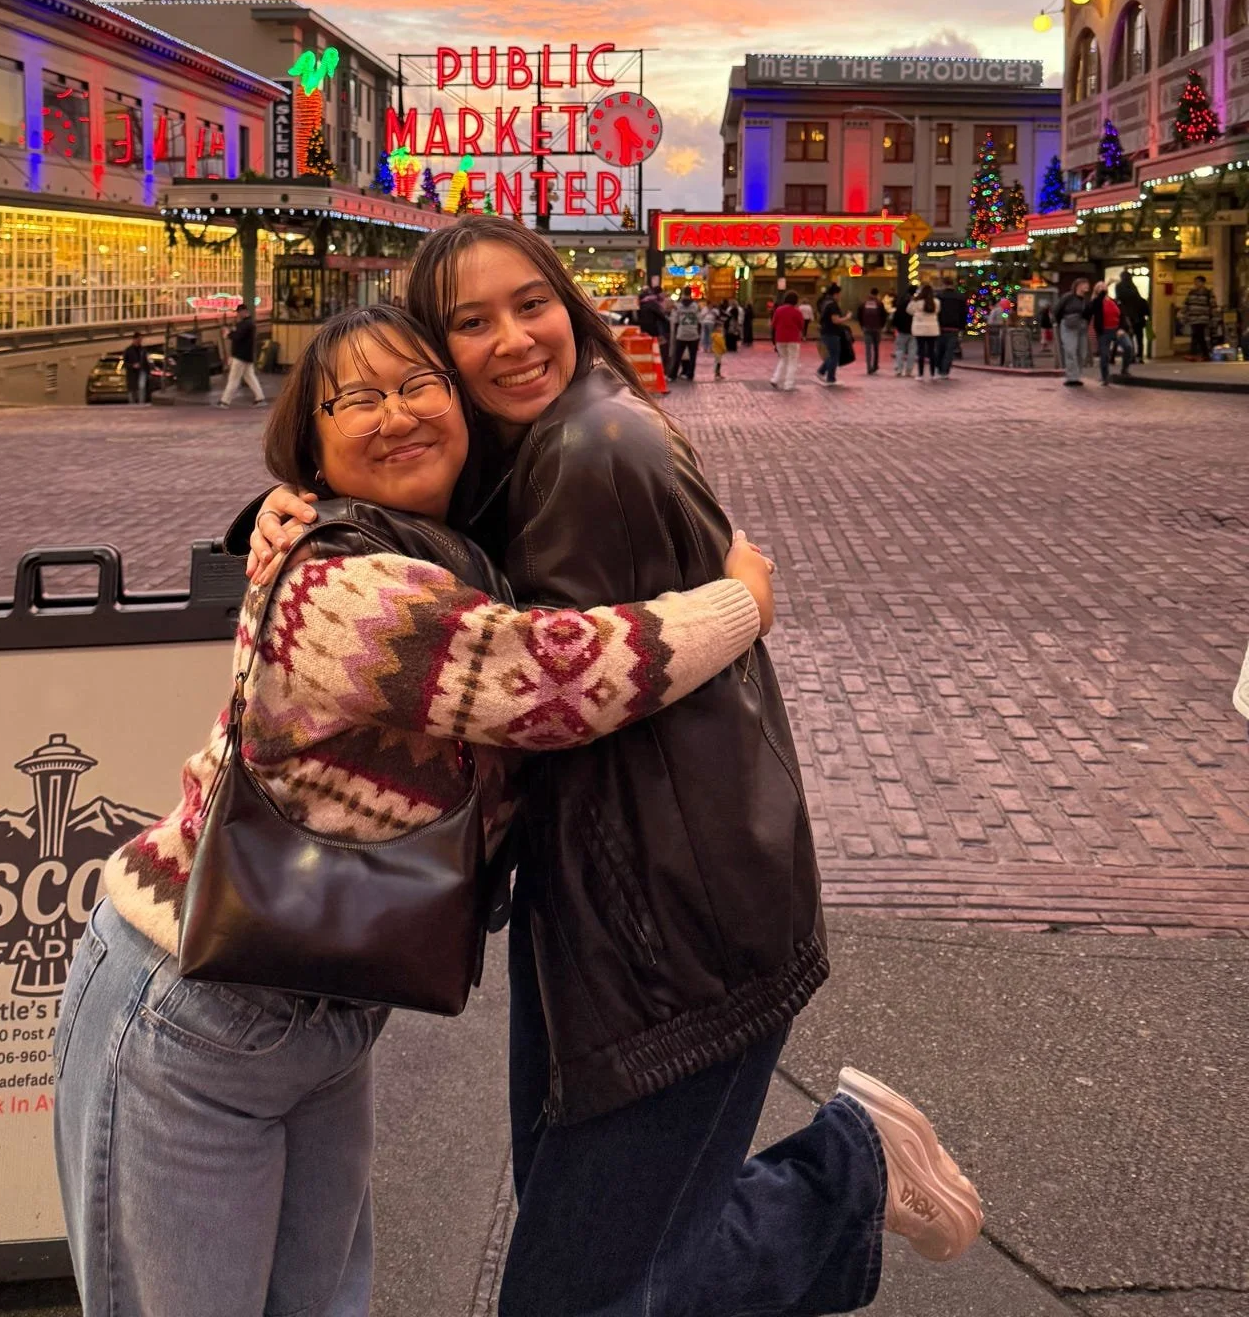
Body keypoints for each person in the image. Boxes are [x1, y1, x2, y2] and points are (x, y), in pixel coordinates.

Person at [248, 232, 983, 1314]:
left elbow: (547, 683)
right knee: (604, 1259)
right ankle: (848, 1174)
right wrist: (295, 511)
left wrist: (740, 601)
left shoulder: (590, 448)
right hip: (608, 908)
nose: (512, 339)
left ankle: (845, 1176)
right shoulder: (532, 444)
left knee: (582, 1287)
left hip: (670, 925)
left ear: (571, 304)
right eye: (470, 322)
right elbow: (447, 569)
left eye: (531, 303)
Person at [59, 303, 773, 1317]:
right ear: (312, 443)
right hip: (189, 1003)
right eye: (356, 398)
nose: (394, 415)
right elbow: (546, 679)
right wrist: (739, 598)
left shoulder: (447, 549)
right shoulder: (345, 582)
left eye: (417, 385)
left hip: (320, 1008)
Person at [220, 304, 267, 406]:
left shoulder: (245, 324)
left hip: (240, 356)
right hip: (247, 355)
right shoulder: (249, 324)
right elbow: (239, 335)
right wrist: (231, 333)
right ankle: (260, 398)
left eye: (238, 312)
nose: (237, 314)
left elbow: (237, 337)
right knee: (250, 377)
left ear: (243, 312)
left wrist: (228, 334)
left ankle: (224, 401)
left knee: (233, 379)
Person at [1053, 279, 1091, 387]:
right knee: (1070, 350)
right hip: (1069, 326)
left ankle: (1077, 375)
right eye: (1084, 284)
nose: (1087, 286)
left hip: (1082, 327)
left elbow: (1088, 314)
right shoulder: (1068, 297)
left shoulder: (1085, 300)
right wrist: (1058, 322)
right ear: (1078, 286)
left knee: (1082, 352)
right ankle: (1071, 377)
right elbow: (1057, 310)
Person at [769, 288, 805, 391]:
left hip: (780, 338)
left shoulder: (779, 310)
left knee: (783, 359)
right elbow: (801, 325)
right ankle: (788, 384)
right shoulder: (797, 312)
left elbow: (774, 324)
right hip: (793, 338)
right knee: (792, 361)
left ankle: (775, 379)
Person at [935, 277, 969, 378]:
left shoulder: (939, 297)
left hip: (940, 326)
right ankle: (945, 372)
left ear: (943, 284)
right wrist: (963, 327)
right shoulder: (961, 297)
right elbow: (964, 313)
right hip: (954, 327)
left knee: (939, 349)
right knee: (949, 351)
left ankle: (939, 368)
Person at [816, 281, 845, 385]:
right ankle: (830, 378)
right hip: (831, 332)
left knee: (832, 355)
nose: (840, 296)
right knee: (834, 356)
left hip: (826, 331)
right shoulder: (833, 305)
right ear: (835, 294)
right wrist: (846, 318)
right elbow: (835, 320)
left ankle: (822, 371)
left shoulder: (825, 303)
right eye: (839, 294)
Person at [670, 289, 703, 381]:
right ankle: (690, 374)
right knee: (693, 357)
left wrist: (676, 333)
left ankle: (673, 375)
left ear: (683, 294)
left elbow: (675, 321)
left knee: (677, 356)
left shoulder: (678, 306)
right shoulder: (696, 306)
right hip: (693, 334)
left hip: (681, 333)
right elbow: (699, 320)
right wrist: (698, 333)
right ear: (690, 294)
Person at [909, 283, 941, 379]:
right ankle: (933, 373)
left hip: (919, 329)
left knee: (921, 352)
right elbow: (938, 311)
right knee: (932, 351)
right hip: (932, 329)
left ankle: (920, 374)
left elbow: (909, 310)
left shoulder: (916, 302)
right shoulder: (936, 302)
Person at [1116, 269, 1149, 360]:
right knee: (1139, 338)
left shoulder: (1120, 287)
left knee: (1129, 338)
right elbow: (1146, 310)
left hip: (1127, 318)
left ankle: (1131, 356)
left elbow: (1118, 300)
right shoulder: (1134, 290)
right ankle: (1140, 356)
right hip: (1139, 319)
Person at [1180, 275, 1214, 360]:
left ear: (1203, 283)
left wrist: (1213, 318)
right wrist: (1183, 313)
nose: (1196, 284)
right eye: (1195, 282)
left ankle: (1202, 354)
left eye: (1198, 282)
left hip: (1202, 318)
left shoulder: (1208, 293)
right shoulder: (1191, 292)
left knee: (1198, 335)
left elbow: (1213, 305)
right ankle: (1199, 354)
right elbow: (1186, 303)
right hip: (1193, 318)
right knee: (1196, 335)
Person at [857, 289, 887, 375]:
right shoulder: (880, 304)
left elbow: (859, 315)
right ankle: (875, 365)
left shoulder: (863, 304)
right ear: (877, 294)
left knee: (868, 348)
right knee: (876, 348)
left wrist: (862, 326)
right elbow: (884, 316)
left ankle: (868, 367)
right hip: (877, 329)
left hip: (866, 328)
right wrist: (881, 326)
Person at [121, 331, 152, 405]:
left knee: (142, 386)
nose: (140, 341)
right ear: (134, 339)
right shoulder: (128, 350)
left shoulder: (143, 350)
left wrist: (148, 372)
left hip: (142, 370)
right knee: (132, 389)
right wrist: (132, 365)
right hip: (132, 373)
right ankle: (132, 403)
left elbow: (147, 361)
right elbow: (125, 363)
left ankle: (141, 403)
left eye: (141, 340)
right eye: (139, 339)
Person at [889, 288, 914, 377]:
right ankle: (909, 370)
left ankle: (898, 369)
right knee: (912, 351)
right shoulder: (916, 305)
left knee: (900, 350)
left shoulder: (901, 304)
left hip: (902, 330)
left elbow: (896, 317)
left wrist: (896, 327)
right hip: (913, 331)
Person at [710, 312, 728, 379]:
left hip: (717, 351)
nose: (721, 329)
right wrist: (724, 348)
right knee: (718, 363)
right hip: (718, 351)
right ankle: (717, 374)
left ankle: (718, 374)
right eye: (720, 327)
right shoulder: (718, 336)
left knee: (718, 362)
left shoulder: (716, 335)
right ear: (716, 328)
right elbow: (721, 343)